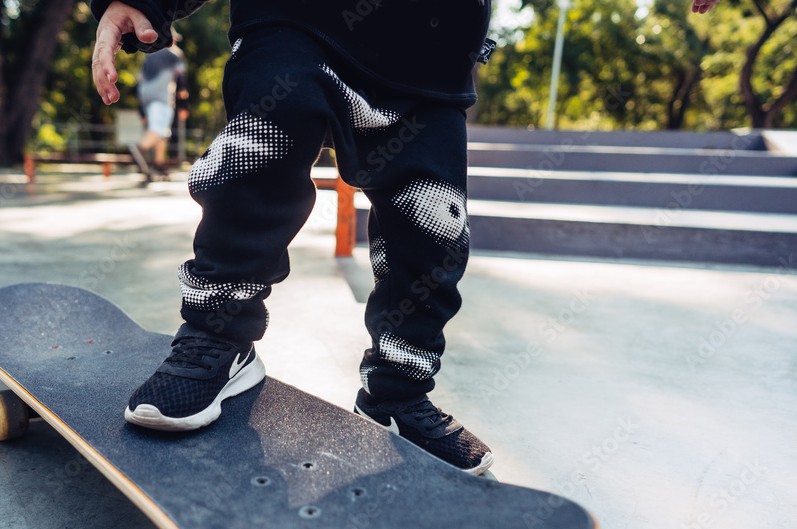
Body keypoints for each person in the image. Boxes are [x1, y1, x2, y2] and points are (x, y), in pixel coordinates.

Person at [90, 0, 720, 475]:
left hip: (430, 54)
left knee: (432, 230)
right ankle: (217, 340)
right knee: (256, 156)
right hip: (294, 22)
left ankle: (396, 390)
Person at [135, 30, 185, 172]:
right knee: (158, 127)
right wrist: (183, 105)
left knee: (164, 131)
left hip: (145, 95)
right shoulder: (174, 54)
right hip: (162, 96)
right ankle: (140, 149)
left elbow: (140, 80)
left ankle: (159, 163)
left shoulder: (149, 54)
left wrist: (141, 108)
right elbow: (181, 80)